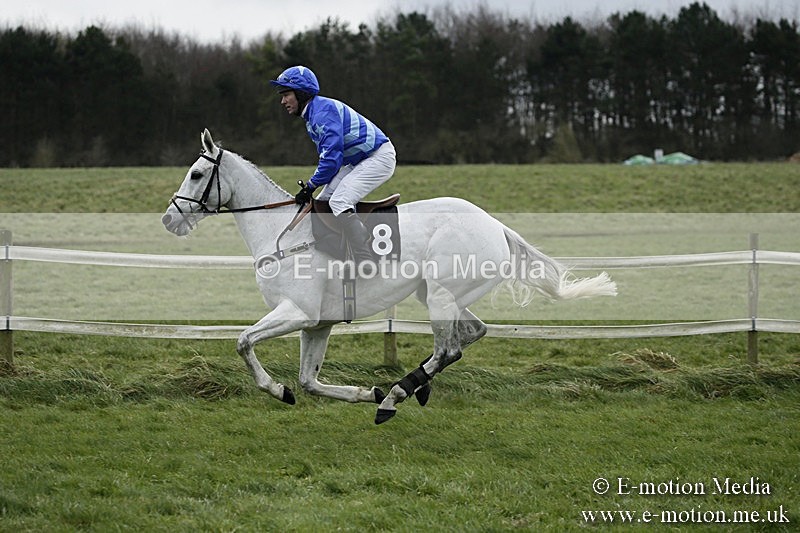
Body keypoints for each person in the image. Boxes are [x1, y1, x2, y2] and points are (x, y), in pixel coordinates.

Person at [269, 65, 396, 269]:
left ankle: (364, 259)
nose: (282, 101)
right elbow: (331, 160)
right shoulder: (313, 114)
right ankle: (337, 253)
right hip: (360, 160)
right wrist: (313, 188)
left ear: (301, 94)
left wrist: (310, 185)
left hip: (378, 157)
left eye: (286, 94)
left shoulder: (322, 113)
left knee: (339, 202)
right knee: (323, 202)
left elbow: (331, 159)